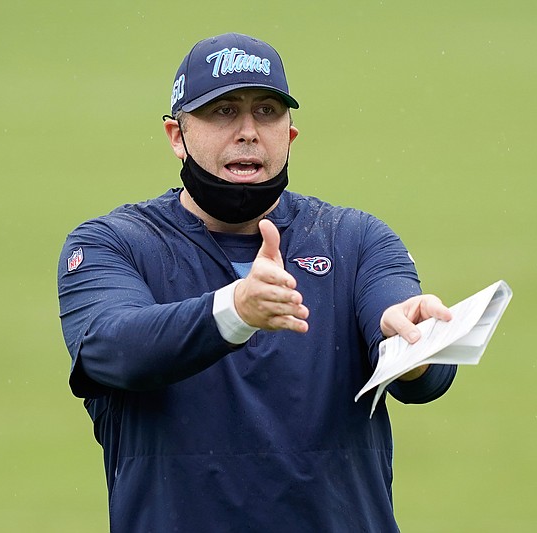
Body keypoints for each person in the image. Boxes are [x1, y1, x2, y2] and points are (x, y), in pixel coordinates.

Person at [57, 32, 458, 532]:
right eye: (223, 111)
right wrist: (234, 312)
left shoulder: (355, 239)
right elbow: (112, 349)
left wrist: (414, 346)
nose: (248, 131)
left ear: (290, 135)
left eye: (267, 111)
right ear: (176, 135)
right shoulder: (111, 245)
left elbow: (425, 373)